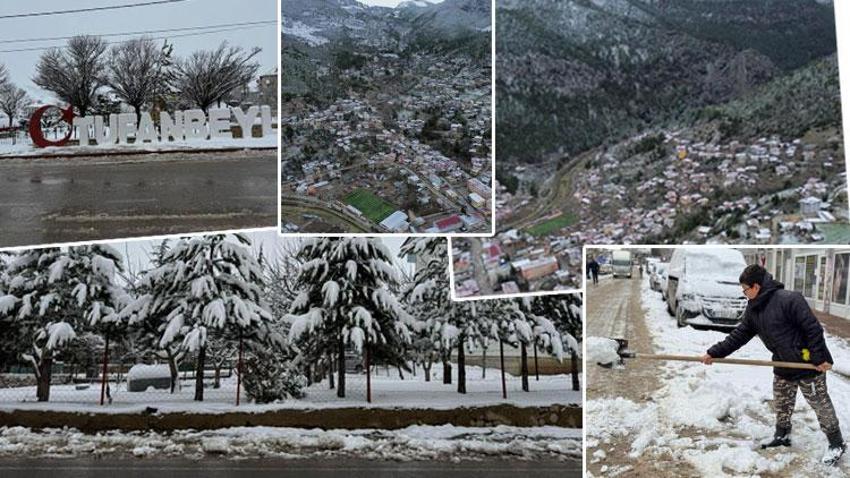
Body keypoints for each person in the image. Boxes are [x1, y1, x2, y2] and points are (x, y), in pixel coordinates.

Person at [700, 264, 845, 465]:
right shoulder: (754, 309)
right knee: (782, 404)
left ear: (756, 287)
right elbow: (740, 335)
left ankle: (836, 443)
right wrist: (714, 353)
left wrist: (819, 359)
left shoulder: (789, 299)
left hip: (808, 365)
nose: (744, 293)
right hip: (783, 363)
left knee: (820, 404)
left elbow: (813, 329)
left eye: (745, 289)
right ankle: (782, 435)